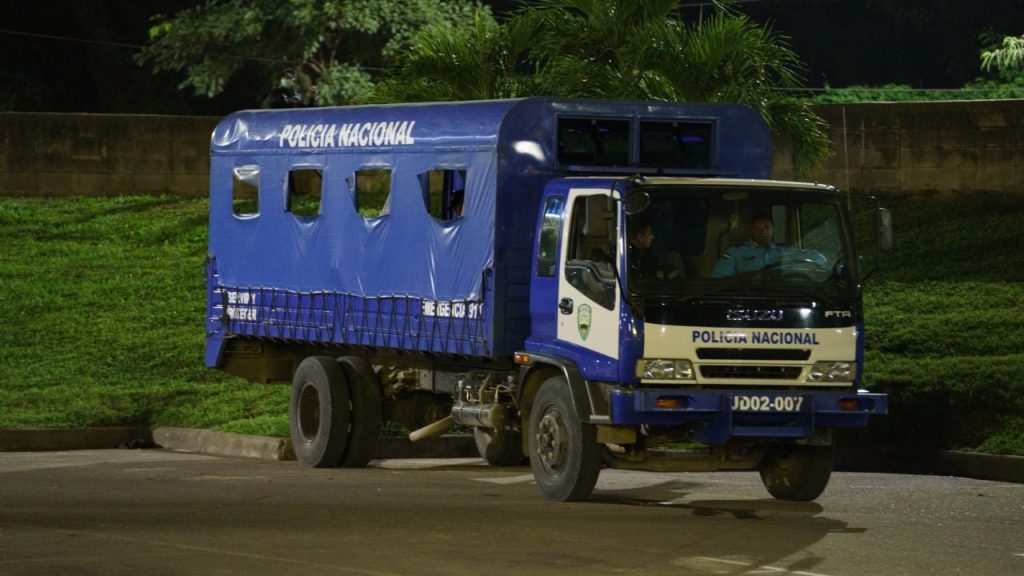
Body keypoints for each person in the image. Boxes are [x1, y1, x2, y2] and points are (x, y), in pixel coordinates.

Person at [712, 215, 825, 277]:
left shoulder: (783, 251)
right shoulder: (736, 252)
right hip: (748, 296)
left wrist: (811, 266)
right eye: (757, 228)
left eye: (767, 228)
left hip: (781, 296)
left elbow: (819, 258)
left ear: (773, 231)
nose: (763, 232)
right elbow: (718, 279)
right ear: (751, 231)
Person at [627, 215, 658, 280]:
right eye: (649, 234)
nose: (652, 237)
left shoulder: (646, 254)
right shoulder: (626, 257)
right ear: (640, 237)